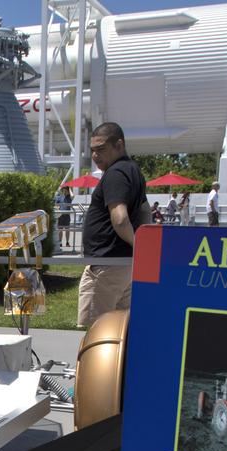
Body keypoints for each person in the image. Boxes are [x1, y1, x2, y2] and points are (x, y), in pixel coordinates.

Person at [77, 121, 145, 328]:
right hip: (125, 265)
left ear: (119, 145)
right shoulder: (134, 171)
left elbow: (120, 218)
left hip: (107, 265)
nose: (95, 156)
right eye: (92, 150)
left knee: (94, 332)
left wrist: (139, 246)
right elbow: (145, 211)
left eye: (101, 149)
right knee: (119, 331)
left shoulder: (115, 174)